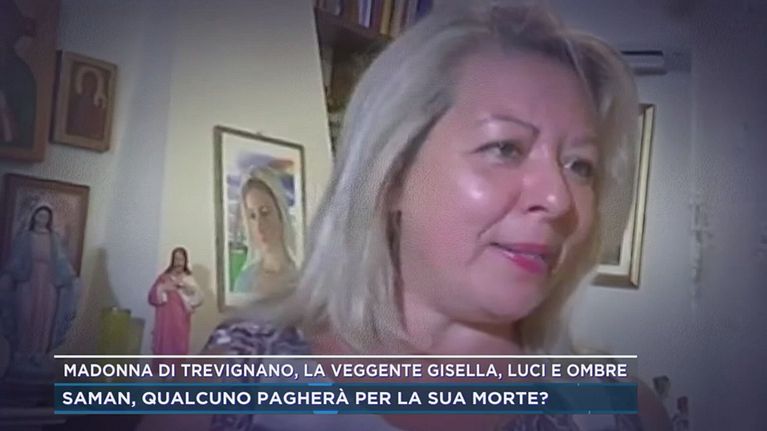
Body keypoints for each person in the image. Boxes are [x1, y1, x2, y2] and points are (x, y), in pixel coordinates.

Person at [141, 1, 670, 429]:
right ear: (392, 174)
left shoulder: (619, 410)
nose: (559, 198)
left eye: (580, 166)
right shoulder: (234, 377)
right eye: (506, 148)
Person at [0, 205, 80, 375]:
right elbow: (15, 260)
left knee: (45, 316)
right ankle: (22, 352)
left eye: (45, 216)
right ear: (34, 216)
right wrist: (9, 274)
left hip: (48, 283)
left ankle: (39, 353)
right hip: (27, 281)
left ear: (49, 219)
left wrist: (71, 277)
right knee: (25, 315)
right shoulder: (25, 237)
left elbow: (62, 261)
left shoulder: (54, 239)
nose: (42, 219)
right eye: (39, 215)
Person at [232, 166, 298, 301]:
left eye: (265, 212)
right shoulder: (244, 282)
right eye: (252, 216)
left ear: (280, 213)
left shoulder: (303, 277)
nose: (259, 226)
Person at [147, 247, 202, 358]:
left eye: (181, 260)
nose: (178, 263)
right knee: (163, 353)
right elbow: (151, 297)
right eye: (176, 259)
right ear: (172, 260)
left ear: (185, 261)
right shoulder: (163, 278)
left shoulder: (188, 279)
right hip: (164, 324)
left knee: (178, 352)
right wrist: (163, 288)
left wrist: (186, 288)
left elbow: (198, 298)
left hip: (180, 324)